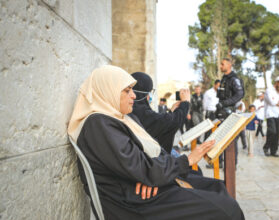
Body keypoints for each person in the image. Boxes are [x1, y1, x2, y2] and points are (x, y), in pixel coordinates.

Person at [67, 65, 244, 220]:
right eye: (127, 90)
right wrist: (187, 160)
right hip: (133, 202)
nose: (134, 96)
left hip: (143, 185)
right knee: (226, 210)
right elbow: (139, 167)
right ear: (108, 91)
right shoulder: (99, 125)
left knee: (217, 187)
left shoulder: (120, 118)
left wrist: (149, 177)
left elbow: (142, 161)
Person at [130, 72, 189, 154]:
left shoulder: (130, 108)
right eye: (150, 92)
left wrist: (171, 111)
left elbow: (158, 120)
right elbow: (173, 122)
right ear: (143, 94)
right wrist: (185, 103)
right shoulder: (142, 112)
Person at [216, 58, 245, 165]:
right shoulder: (224, 78)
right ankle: (220, 162)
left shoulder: (234, 79)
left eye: (222, 64)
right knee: (221, 137)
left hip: (230, 111)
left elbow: (239, 94)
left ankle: (232, 164)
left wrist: (225, 103)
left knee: (230, 139)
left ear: (229, 65)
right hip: (222, 111)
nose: (220, 66)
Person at [263, 76, 279, 157]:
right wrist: (277, 102)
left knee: (277, 133)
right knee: (272, 131)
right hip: (270, 114)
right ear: (277, 83)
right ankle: (266, 147)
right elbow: (271, 102)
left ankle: (274, 151)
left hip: (278, 113)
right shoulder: (269, 90)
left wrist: (278, 103)